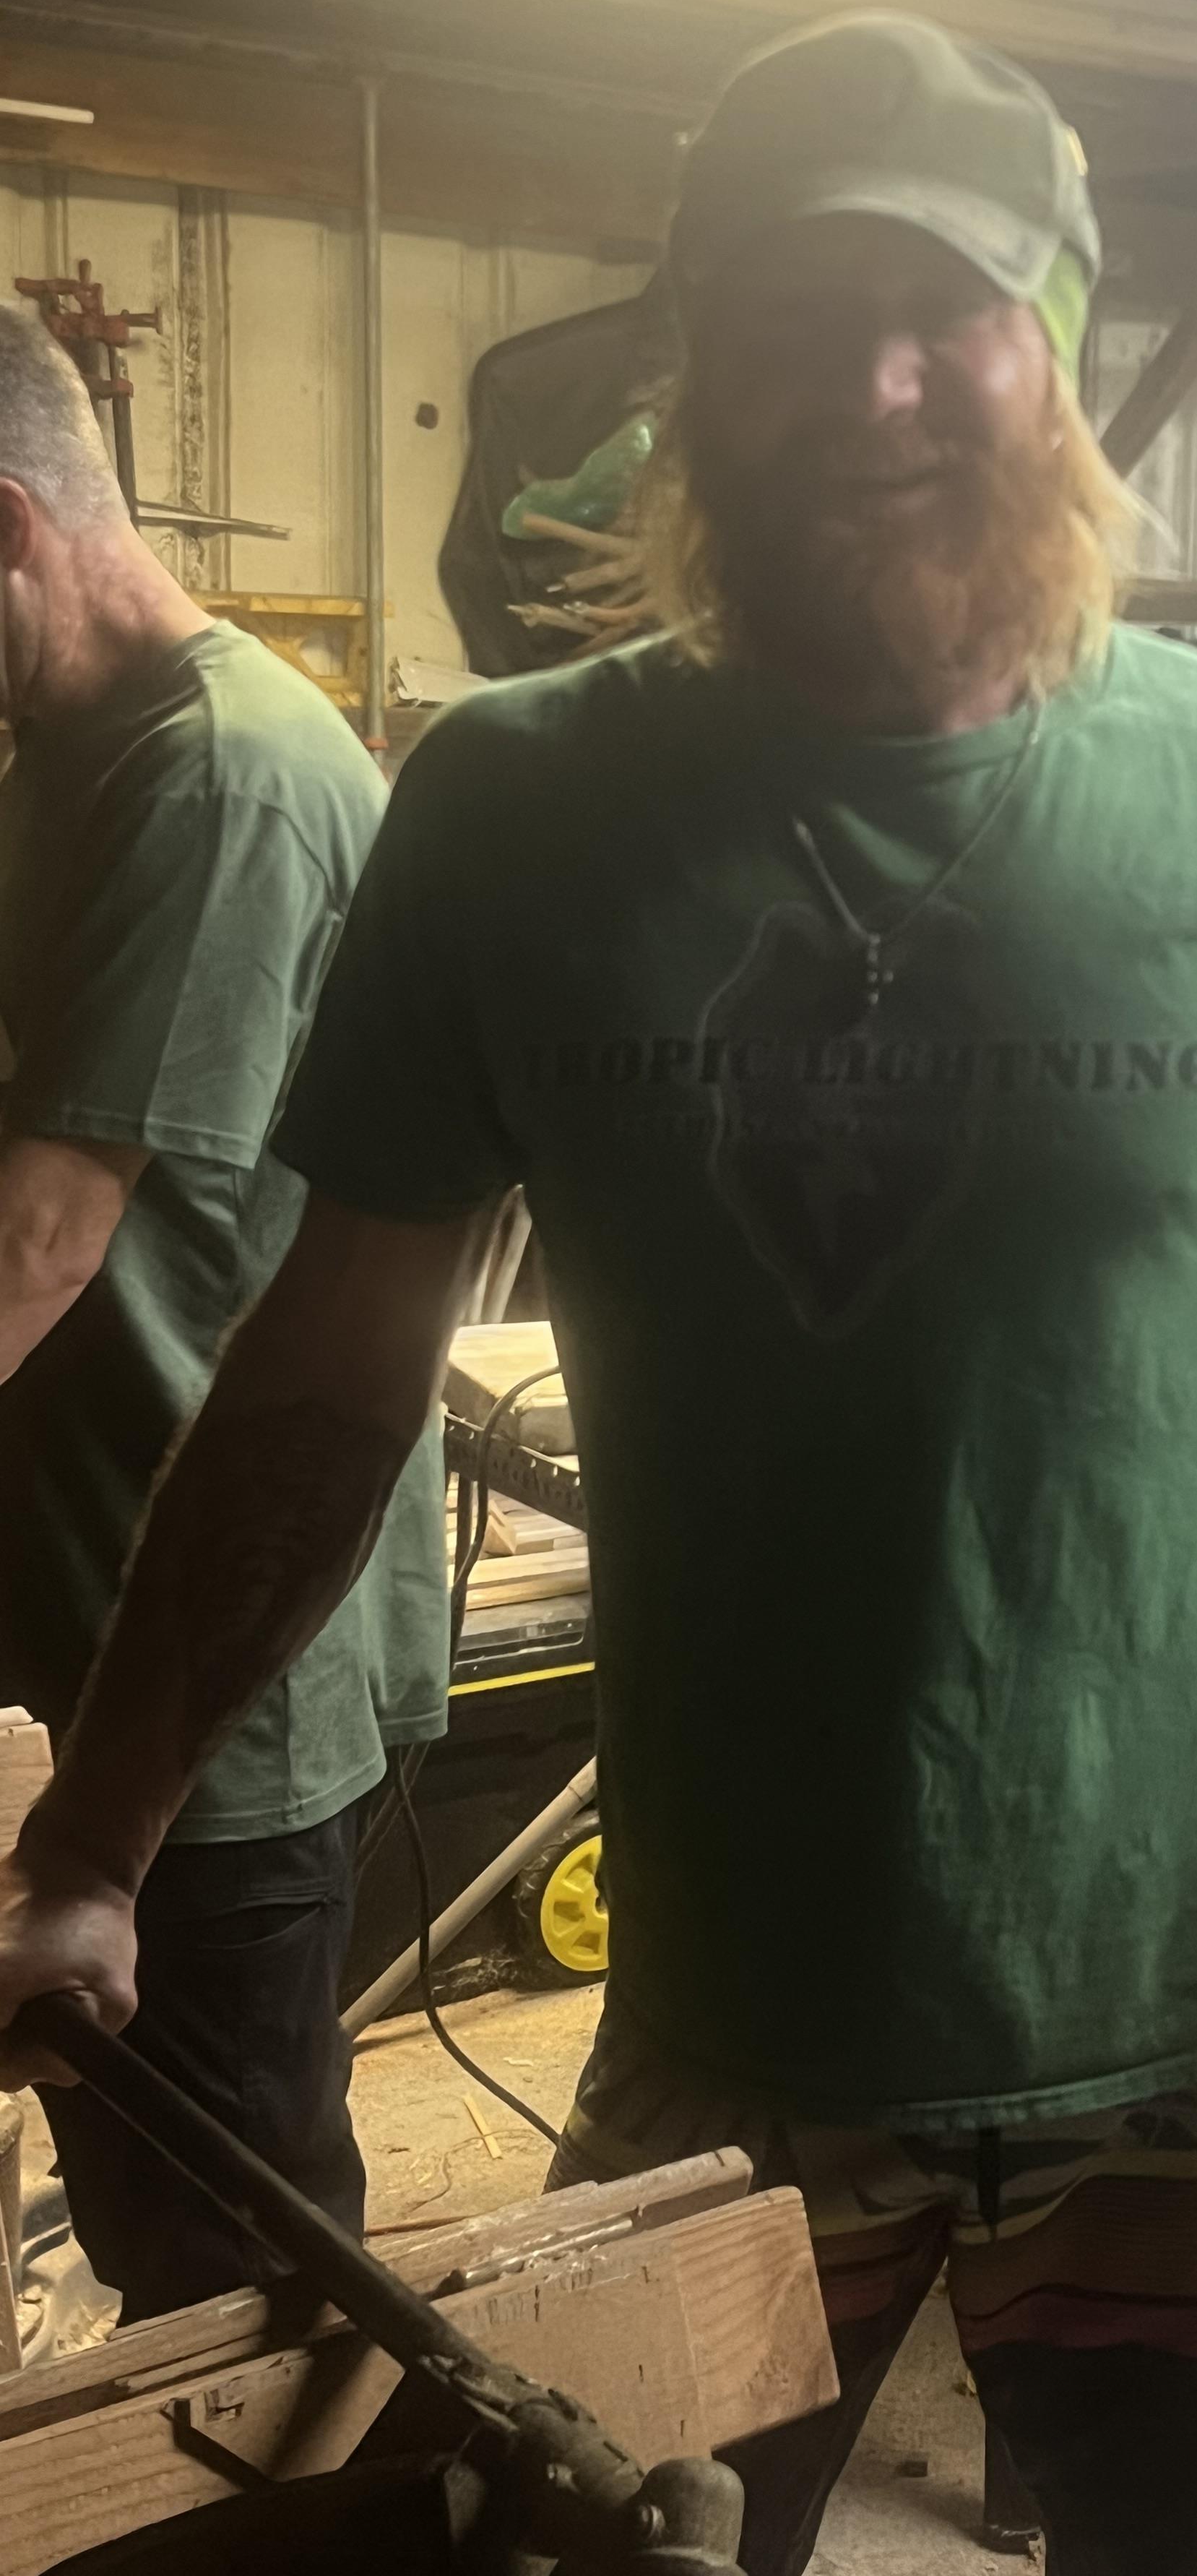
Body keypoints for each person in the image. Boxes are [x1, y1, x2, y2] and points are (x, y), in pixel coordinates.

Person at [0, 16, 1197, 2567]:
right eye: (795, 316)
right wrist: (96, 1845)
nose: (874, 386)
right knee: (590, 2535)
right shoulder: (515, 812)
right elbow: (323, 1394)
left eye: (947, 310)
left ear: (1061, 352)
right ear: (694, 374)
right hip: (739, 2025)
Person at [0, 306, 448, 2320]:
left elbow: (44, 1240)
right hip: (82, 1616)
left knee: (238, 2282)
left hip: (206, 1694)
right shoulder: (67, 756)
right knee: (142, 2214)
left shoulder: (224, 778)